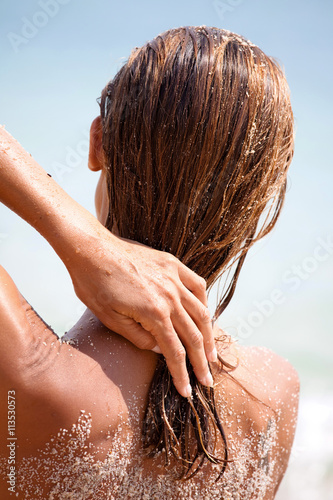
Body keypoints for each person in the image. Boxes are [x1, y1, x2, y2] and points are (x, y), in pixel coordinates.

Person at [0, 26, 299, 499]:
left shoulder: (25, 371)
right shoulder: (274, 397)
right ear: (259, 199)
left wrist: (80, 240)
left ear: (97, 143)